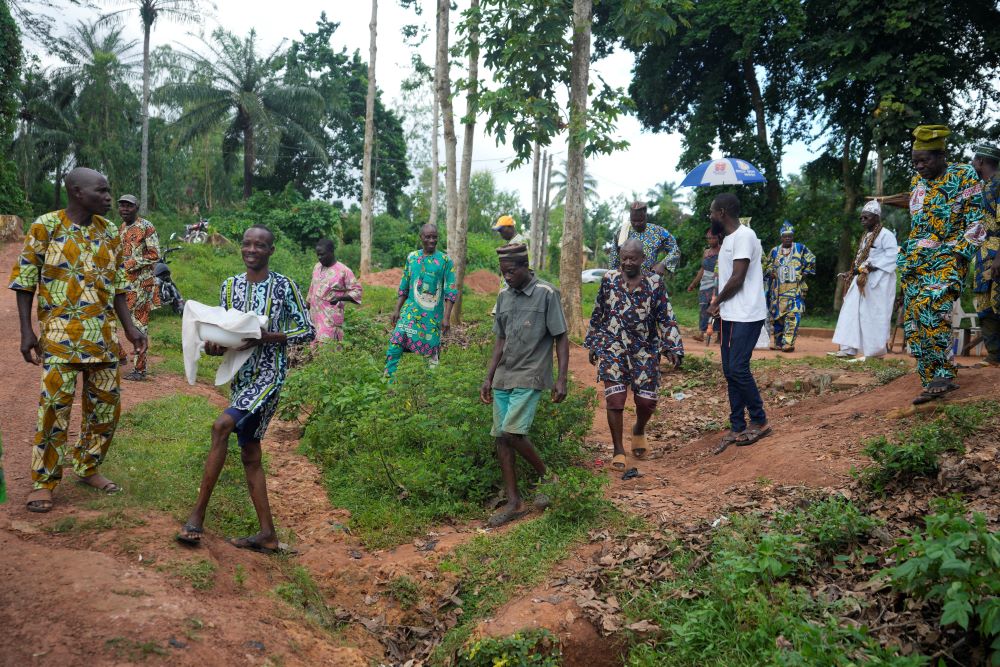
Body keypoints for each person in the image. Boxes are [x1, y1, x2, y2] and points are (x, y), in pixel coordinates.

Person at [9, 167, 147, 513]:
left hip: (102, 337)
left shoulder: (110, 230)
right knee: (54, 410)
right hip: (59, 338)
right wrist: (27, 331)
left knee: (105, 409)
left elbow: (117, 285)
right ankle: (43, 482)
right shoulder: (46, 226)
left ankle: (88, 467)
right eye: (101, 191)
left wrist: (130, 329)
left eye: (109, 191)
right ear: (76, 192)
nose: (109, 198)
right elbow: (25, 280)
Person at [176, 225, 314, 552]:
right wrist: (215, 347)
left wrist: (268, 338)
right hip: (240, 376)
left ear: (271, 250)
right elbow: (229, 334)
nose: (252, 249)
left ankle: (197, 517)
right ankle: (267, 535)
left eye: (260, 245)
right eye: (247, 244)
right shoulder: (229, 287)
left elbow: (308, 331)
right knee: (250, 454)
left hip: (269, 375)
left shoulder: (284, 287)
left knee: (221, 426)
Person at [480, 244, 568, 527]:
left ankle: (548, 478)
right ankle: (514, 501)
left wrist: (561, 378)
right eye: (503, 273)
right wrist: (489, 376)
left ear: (525, 266)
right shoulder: (504, 296)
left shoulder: (546, 293)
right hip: (505, 374)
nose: (506, 277)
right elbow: (500, 339)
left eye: (511, 272)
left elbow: (561, 337)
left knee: (512, 431)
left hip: (531, 373)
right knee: (501, 437)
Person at [901, 125, 986, 404]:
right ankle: (931, 379)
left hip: (949, 256)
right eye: (915, 161)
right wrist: (908, 257)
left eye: (924, 160)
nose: (919, 166)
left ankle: (944, 375)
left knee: (933, 305)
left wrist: (960, 255)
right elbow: (917, 224)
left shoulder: (963, 175)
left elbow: (977, 219)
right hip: (916, 260)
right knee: (914, 318)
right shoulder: (917, 183)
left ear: (941, 155)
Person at [585, 239, 683, 471]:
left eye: (633, 258)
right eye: (624, 258)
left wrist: (673, 345)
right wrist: (594, 343)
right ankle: (618, 449)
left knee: (647, 402)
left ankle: (639, 429)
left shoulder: (654, 283)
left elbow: (666, 316)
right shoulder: (609, 280)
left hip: (645, 349)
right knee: (615, 399)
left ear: (642, 260)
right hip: (613, 346)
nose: (628, 262)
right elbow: (600, 311)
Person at [706, 193, 770, 453]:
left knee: (738, 367)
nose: (710, 217)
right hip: (731, 314)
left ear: (722, 212)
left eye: (712, 212)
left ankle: (759, 419)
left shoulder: (745, 235)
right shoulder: (730, 239)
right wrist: (721, 304)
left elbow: (738, 278)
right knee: (730, 370)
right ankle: (737, 425)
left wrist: (716, 301)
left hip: (747, 314)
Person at [385, 224, 457, 378]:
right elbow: (404, 284)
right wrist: (397, 309)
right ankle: (388, 381)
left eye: (435, 237)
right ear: (421, 237)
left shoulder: (445, 261)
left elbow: (450, 291)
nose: (432, 240)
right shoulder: (412, 258)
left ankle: (430, 389)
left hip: (432, 316)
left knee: (431, 352)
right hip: (410, 311)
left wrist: (446, 317)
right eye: (428, 237)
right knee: (396, 342)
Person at [831, 200, 898, 360]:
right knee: (850, 311)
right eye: (861, 218)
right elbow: (862, 259)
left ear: (876, 217)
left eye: (866, 218)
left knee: (874, 315)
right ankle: (848, 349)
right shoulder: (866, 236)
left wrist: (872, 266)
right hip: (861, 280)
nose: (862, 220)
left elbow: (893, 256)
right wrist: (853, 271)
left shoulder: (886, 235)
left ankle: (874, 352)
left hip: (879, 283)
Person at [117, 193, 160, 381]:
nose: (125, 209)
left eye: (129, 206)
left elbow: (154, 254)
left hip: (141, 284)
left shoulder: (146, 227)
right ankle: (120, 356)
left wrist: (130, 263)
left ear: (137, 208)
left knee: (138, 324)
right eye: (122, 205)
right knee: (110, 319)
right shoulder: (121, 228)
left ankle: (140, 369)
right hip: (123, 285)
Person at [763, 221, 816, 352]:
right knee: (777, 318)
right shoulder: (774, 251)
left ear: (793, 237)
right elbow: (767, 265)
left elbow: (812, 260)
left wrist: (805, 273)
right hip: (778, 292)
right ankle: (778, 343)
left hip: (795, 291)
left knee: (792, 316)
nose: (788, 238)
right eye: (785, 236)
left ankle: (788, 343)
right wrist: (771, 273)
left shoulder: (800, 248)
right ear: (781, 237)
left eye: (790, 236)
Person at [971, 143, 1000, 366]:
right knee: (984, 304)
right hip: (982, 255)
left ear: (980, 161)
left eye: (974, 160)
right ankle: (994, 355)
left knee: (998, 301)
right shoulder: (981, 187)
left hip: (997, 252)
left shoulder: (998, 184)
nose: (972, 163)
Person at [306, 238, 362, 344]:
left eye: (322, 254)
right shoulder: (317, 267)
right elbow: (312, 288)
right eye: (317, 254)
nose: (319, 258)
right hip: (314, 318)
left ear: (331, 252)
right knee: (313, 350)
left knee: (328, 351)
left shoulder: (344, 271)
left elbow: (357, 291)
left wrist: (340, 298)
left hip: (330, 320)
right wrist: (306, 308)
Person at [609, 201, 680, 276]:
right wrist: (614, 278)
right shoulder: (621, 232)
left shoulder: (658, 232)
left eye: (640, 220)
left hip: (649, 281)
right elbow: (614, 259)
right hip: (625, 281)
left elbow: (675, 250)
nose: (636, 224)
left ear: (646, 216)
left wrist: (663, 264)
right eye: (633, 220)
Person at [687, 229, 722, 342]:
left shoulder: (722, 250)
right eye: (708, 238)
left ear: (718, 238)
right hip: (705, 282)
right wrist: (693, 283)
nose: (710, 240)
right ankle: (702, 333)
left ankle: (718, 335)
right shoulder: (706, 252)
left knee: (716, 307)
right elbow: (702, 269)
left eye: (713, 238)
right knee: (703, 306)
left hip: (718, 281)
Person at [491, 214, 528, 316]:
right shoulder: (514, 241)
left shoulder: (517, 243)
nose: (501, 234)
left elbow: (516, 271)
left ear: (510, 227)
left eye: (502, 230)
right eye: (499, 231)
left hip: (514, 288)